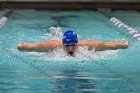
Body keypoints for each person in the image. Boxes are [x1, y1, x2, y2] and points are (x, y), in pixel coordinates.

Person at [17, 30, 128, 56]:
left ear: (77, 43)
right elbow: (32, 47)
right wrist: (21, 46)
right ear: (63, 43)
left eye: (73, 45)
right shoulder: (52, 46)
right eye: (67, 45)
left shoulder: (88, 45)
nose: (70, 49)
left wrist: (124, 44)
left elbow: (110, 46)